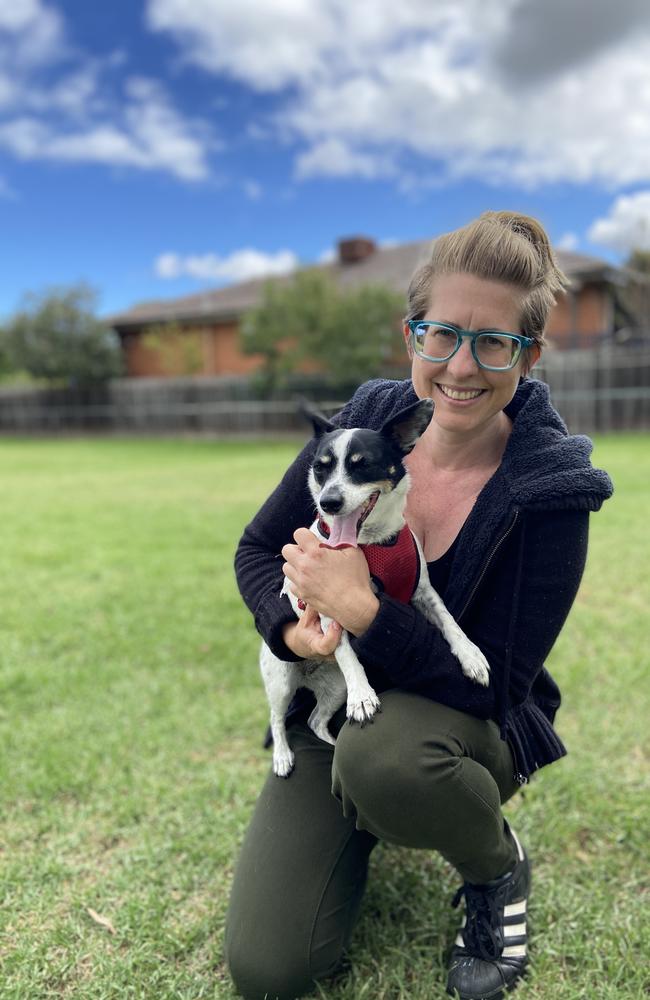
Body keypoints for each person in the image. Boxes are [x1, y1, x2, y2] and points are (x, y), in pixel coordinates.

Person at [225, 211, 613, 1000]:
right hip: (336, 701)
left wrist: (367, 612)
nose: (460, 366)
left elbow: (496, 686)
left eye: (494, 341)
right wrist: (292, 629)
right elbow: (257, 552)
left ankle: (493, 865)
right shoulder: (359, 429)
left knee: (390, 759)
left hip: (465, 724)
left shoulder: (551, 490)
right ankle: (368, 809)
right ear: (413, 337)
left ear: (528, 356)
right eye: (441, 335)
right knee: (270, 969)